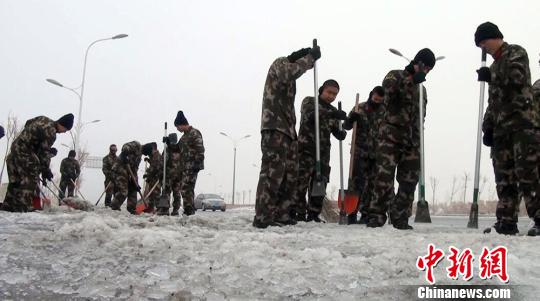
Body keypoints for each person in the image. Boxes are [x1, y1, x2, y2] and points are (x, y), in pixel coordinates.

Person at [475, 22, 540, 236]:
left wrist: (491, 77)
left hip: (522, 127)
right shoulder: (493, 67)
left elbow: (516, 79)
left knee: (528, 173)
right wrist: (488, 126)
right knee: (504, 178)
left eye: (483, 42)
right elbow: (493, 102)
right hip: (502, 130)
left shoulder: (516, 53)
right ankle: (506, 221)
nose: (482, 47)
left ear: (494, 37)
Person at [253, 45, 321, 228]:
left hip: (289, 131)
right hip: (274, 127)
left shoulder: (290, 72)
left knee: (290, 175)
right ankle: (263, 216)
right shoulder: (279, 63)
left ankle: (281, 214)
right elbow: (289, 73)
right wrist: (309, 59)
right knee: (272, 173)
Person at [368, 48, 436, 230]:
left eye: (430, 69)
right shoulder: (394, 75)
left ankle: (400, 217)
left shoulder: (423, 90)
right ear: (416, 62)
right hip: (390, 136)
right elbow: (389, 93)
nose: (427, 71)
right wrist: (411, 80)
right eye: (425, 66)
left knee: (409, 180)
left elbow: (421, 115)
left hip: (412, 140)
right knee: (384, 177)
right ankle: (376, 216)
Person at [296, 79, 347, 222]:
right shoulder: (309, 102)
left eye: (334, 94)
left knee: (320, 183)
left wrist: (342, 131)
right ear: (321, 90)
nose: (331, 96)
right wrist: (333, 114)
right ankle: (298, 213)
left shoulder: (333, 111)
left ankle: (313, 214)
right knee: (300, 182)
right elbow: (311, 116)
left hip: (323, 153)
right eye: (329, 92)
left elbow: (337, 132)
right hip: (306, 149)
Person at [1, 114, 74, 212]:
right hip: (24, 151)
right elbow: (43, 154)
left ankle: (8, 207)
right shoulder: (51, 132)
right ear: (62, 124)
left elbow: (28, 122)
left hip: (15, 149)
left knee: (15, 181)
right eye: (65, 129)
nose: (64, 132)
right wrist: (46, 170)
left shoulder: (43, 118)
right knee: (29, 180)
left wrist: (32, 140)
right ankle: (23, 208)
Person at [343, 86, 386, 224]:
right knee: (357, 183)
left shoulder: (384, 111)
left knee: (371, 184)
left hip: (376, 152)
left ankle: (366, 214)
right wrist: (351, 119)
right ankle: (351, 213)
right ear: (371, 95)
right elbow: (346, 126)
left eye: (379, 100)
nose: (377, 102)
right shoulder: (359, 108)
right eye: (375, 99)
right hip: (359, 151)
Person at [175, 111, 205, 216]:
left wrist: (198, 162)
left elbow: (200, 148)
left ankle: (189, 210)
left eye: (177, 126)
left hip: (192, 166)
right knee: (187, 188)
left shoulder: (194, 133)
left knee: (186, 187)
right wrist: (169, 142)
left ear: (182, 124)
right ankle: (189, 210)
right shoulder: (183, 137)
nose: (177, 129)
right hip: (185, 167)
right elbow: (177, 149)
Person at [110, 141, 142, 214]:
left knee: (133, 188)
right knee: (123, 191)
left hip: (128, 171)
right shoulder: (136, 145)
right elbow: (125, 146)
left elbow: (135, 169)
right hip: (119, 169)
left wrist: (136, 183)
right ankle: (114, 206)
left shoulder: (139, 157)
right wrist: (125, 154)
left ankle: (132, 208)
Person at [142, 142, 162, 213]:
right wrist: (148, 160)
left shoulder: (157, 156)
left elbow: (155, 167)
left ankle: (159, 208)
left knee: (156, 193)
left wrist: (148, 174)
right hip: (152, 178)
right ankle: (150, 208)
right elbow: (153, 164)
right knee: (151, 195)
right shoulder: (153, 156)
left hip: (156, 178)